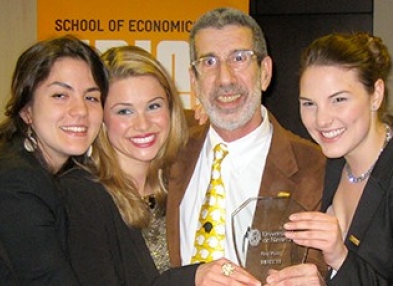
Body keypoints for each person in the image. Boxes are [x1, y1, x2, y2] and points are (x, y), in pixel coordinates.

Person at [61, 45, 259, 286]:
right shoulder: (80, 195)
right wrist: (191, 278)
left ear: (170, 108)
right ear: (101, 117)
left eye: (153, 106)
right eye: (124, 111)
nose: (143, 124)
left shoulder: (181, 180)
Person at [266, 32, 393, 286]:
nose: (322, 120)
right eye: (309, 104)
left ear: (376, 95)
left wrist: (341, 259)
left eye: (338, 100)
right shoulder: (334, 160)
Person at [166, 7, 327, 282]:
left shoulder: (315, 167)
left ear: (264, 72)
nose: (225, 78)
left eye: (239, 58)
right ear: (193, 80)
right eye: (209, 62)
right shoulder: (170, 152)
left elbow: (327, 265)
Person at [0, 35, 107, 285]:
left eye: (91, 97)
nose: (80, 110)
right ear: (26, 110)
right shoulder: (13, 181)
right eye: (60, 95)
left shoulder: (41, 168)